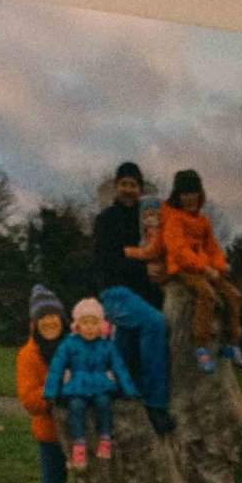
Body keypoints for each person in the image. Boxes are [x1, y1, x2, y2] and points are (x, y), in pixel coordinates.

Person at [91, 159, 172, 430]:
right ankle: (155, 403)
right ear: (117, 187)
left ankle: (118, 386)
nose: (129, 189)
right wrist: (142, 268)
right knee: (154, 322)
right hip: (114, 291)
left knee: (127, 340)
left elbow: (155, 252)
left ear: (140, 189)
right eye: (124, 184)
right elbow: (105, 262)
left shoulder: (147, 221)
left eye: (134, 185)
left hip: (140, 294)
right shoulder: (105, 220)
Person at [15, 289, 92, 483]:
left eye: (53, 315)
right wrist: (57, 390)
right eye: (43, 317)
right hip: (51, 435)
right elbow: (30, 400)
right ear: (34, 323)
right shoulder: (28, 355)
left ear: (62, 318)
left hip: (81, 432)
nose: (49, 321)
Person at [148, 166, 242, 366]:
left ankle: (231, 342)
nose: (190, 198)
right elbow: (179, 251)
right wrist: (204, 269)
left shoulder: (204, 222)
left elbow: (213, 248)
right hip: (183, 269)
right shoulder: (173, 219)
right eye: (185, 193)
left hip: (204, 269)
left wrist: (219, 267)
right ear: (178, 196)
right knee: (206, 293)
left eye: (194, 192)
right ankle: (200, 345)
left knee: (234, 295)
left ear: (200, 194)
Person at [46, 295, 137, 469]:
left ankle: (105, 438)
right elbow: (56, 368)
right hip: (77, 385)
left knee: (104, 404)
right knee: (76, 407)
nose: (89, 327)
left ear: (101, 325)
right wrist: (51, 392)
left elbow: (119, 368)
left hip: (100, 384)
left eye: (94, 323)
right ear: (77, 325)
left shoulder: (106, 345)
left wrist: (129, 390)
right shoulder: (69, 344)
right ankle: (79, 443)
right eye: (85, 323)